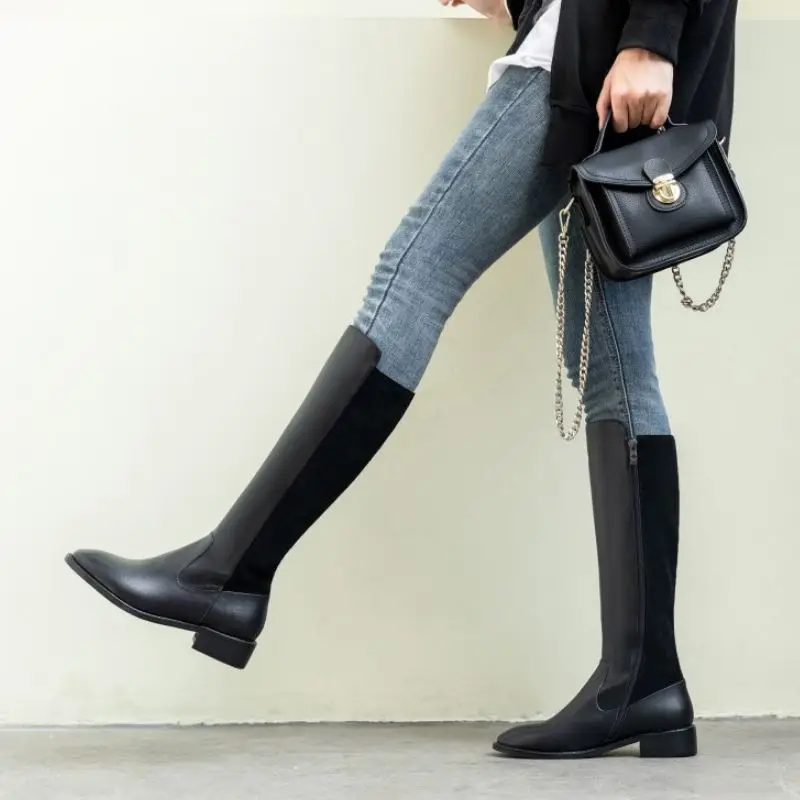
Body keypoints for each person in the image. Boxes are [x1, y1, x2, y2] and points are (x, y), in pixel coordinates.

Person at [65, 0, 738, 759]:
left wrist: (651, 37)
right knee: (616, 367)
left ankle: (226, 573)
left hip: (595, 60)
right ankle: (645, 679)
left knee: (412, 279)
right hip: (604, 62)